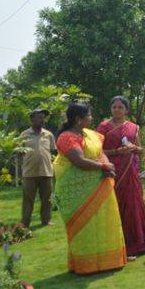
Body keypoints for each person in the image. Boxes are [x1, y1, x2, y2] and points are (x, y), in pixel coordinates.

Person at [53, 103, 126, 274]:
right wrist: (104, 167)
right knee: (83, 228)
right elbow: (79, 161)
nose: (91, 118)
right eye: (89, 115)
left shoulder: (90, 135)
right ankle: (85, 265)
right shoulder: (66, 137)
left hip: (99, 186)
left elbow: (99, 152)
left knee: (103, 223)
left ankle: (109, 261)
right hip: (77, 191)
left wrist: (107, 163)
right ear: (79, 119)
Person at [96, 96, 145, 260]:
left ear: (126, 110)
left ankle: (138, 243)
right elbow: (97, 151)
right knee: (115, 205)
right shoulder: (103, 127)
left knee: (133, 204)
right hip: (112, 171)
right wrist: (117, 152)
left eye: (120, 107)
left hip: (130, 171)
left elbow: (140, 149)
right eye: (114, 107)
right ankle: (115, 244)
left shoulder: (133, 127)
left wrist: (133, 147)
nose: (117, 110)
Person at [19, 108, 57, 227]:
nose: (42, 120)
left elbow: (53, 151)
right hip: (29, 173)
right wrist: (22, 168)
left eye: (43, 117)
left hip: (46, 172)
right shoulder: (24, 135)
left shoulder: (48, 135)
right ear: (32, 119)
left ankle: (46, 221)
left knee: (47, 200)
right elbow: (19, 153)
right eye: (39, 117)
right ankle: (25, 223)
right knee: (28, 200)